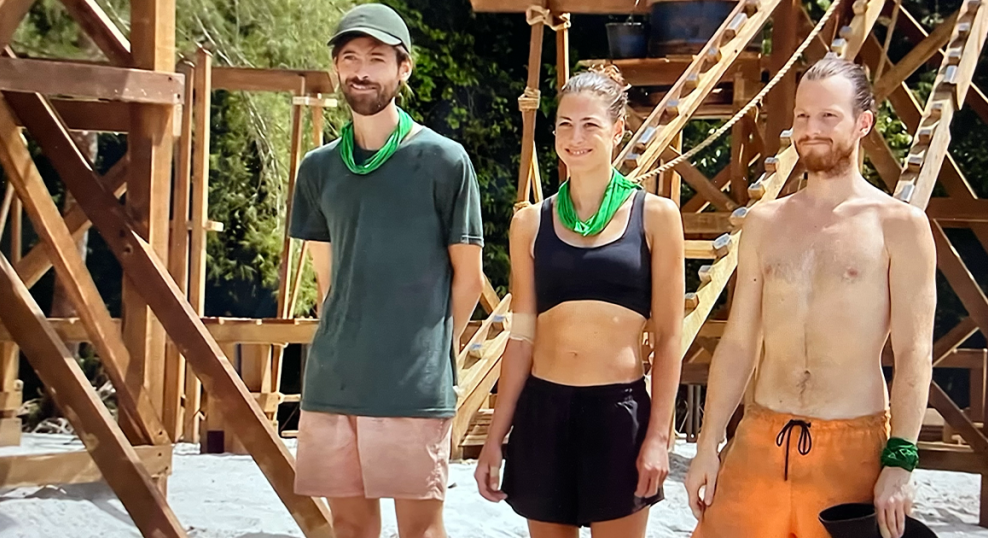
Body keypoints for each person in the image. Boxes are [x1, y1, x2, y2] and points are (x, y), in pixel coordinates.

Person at [683, 57, 936, 538]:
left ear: (863, 123)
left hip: (851, 446)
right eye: (802, 116)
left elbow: (914, 352)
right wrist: (707, 445)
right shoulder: (764, 223)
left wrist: (900, 460)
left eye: (828, 116)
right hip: (759, 441)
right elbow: (739, 342)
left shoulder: (900, 226)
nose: (811, 129)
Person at [288, 4, 485, 538]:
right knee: (349, 526)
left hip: (411, 386)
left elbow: (468, 277)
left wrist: (432, 354)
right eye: (350, 58)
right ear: (336, 67)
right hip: (334, 380)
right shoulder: (318, 168)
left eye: (376, 59)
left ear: (404, 68)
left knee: (419, 529)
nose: (361, 71)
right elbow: (327, 283)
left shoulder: (445, 161)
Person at [474, 66, 686, 538]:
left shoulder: (656, 216)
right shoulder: (530, 223)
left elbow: (671, 338)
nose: (576, 137)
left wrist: (658, 436)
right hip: (544, 413)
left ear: (618, 130)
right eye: (565, 125)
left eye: (590, 125)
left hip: (618, 413)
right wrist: (494, 438)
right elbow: (521, 337)